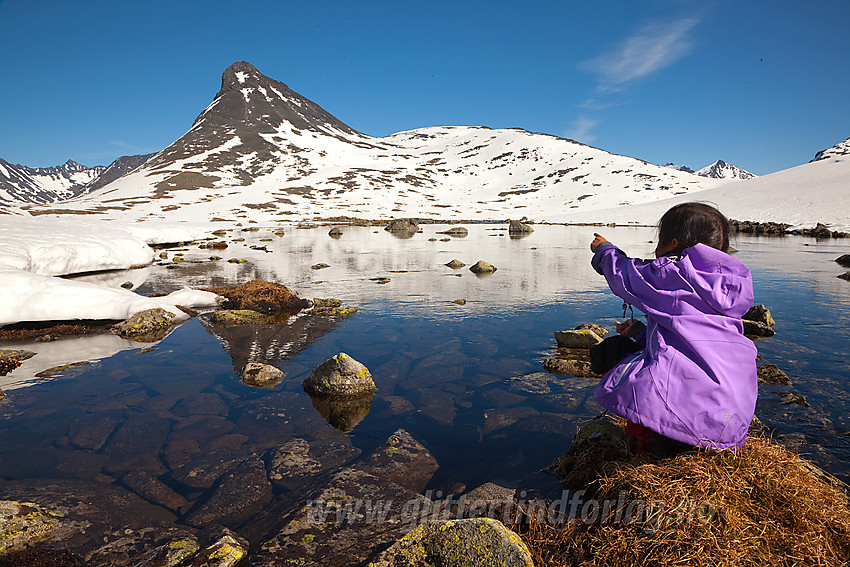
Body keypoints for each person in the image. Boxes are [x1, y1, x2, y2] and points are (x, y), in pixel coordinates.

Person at [588, 202, 758, 454]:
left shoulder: (674, 273)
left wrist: (604, 249)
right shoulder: (730, 283)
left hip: (689, 420)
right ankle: (667, 434)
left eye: (660, 238)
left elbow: (625, 275)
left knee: (609, 352)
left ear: (673, 243)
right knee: (642, 351)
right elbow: (690, 344)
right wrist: (638, 332)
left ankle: (651, 435)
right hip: (730, 420)